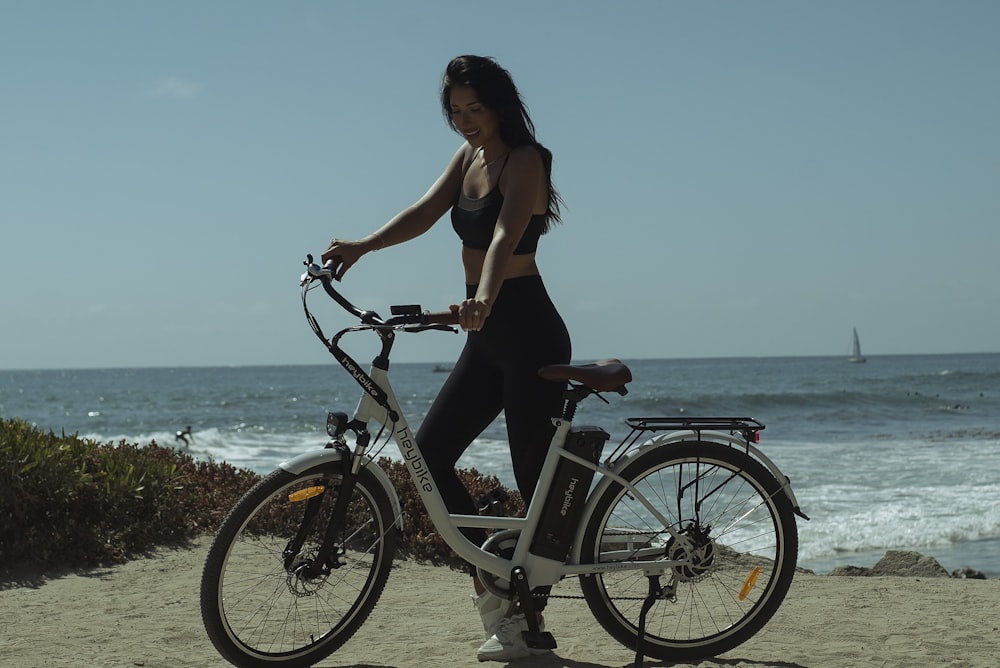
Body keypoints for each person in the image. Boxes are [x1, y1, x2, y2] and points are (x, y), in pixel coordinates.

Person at [322, 55, 571, 662]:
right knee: (429, 455)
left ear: (499, 104)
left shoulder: (526, 161)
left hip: (527, 328)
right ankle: (497, 578)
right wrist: (361, 246)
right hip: (483, 333)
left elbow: (504, 237)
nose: (463, 121)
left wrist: (483, 297)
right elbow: (424, 212)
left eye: (474, 109)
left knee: (534, 480)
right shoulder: (470, 159)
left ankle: (524, 621)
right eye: (455, 111)